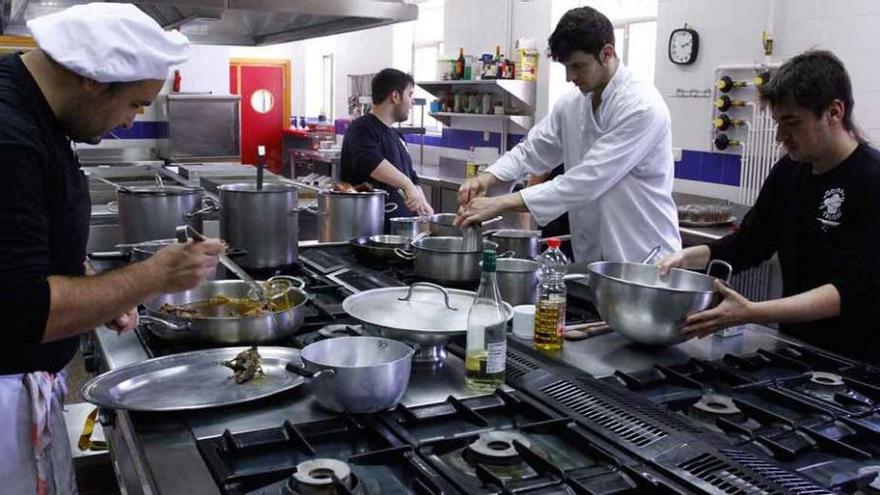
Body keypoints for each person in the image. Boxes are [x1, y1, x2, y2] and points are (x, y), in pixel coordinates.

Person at [0, 4, 223, 493]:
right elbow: (21, 310)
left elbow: (25, 243)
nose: (130, 122)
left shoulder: (34, 109)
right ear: (93, 80)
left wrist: (102, 293)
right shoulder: (10, 138)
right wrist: (151, 277)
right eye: (136, 105)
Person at [658, 50, 880, 364]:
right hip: (796, 349)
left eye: (791, 122)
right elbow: (751, 242)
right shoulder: (790, 171)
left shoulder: (871, 180)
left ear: (834, 112)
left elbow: (852, 291)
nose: (780, 136)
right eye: (777, 122)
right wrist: (687, 257)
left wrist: (751, 312)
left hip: (858, 365)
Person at [455, 6, 680, 263]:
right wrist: (487, 178)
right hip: (593, 261)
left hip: (644, 258)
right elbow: (534, 149)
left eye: (578, 66)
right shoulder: (573, 103)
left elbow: (587, 180)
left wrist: (499, 203)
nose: (570, 77)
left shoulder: (641, 106)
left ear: (607, 53)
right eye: (565, 66)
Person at [340, 68, 433, 220]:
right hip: (369, 230)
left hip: (400, 231)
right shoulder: (361, 128)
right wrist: (407, 185)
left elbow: (411, 175)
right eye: (410, 95)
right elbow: (370, 162)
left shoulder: (397, 136)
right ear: (395, 96)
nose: (413, 102)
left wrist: (422, 205)